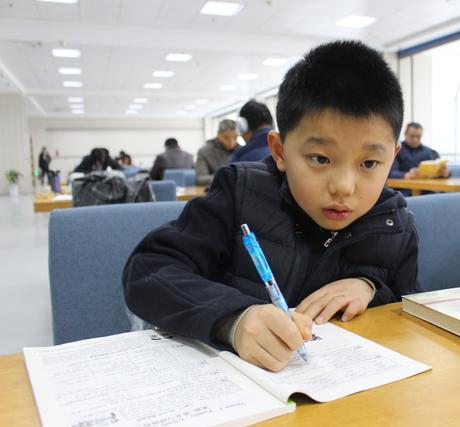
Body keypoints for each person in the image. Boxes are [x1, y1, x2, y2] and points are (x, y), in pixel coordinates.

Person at [123, 40, 420, 372]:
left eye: (368, 163)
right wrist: (234, 318)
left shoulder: (395, 224)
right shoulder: (240, 194)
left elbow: (410, 311)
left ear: (392, 158)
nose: (344, 187)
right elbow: (149, 271)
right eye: (320, 158)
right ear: (279, 151)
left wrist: (371, 287)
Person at [196, 119, 238, 185]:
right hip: (216, 189)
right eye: (226, 138)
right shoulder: (204, 151)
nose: (231, 142)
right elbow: (201, 178)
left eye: (235, 137)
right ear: (218, 134)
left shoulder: (242, 150)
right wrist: (226, 178)